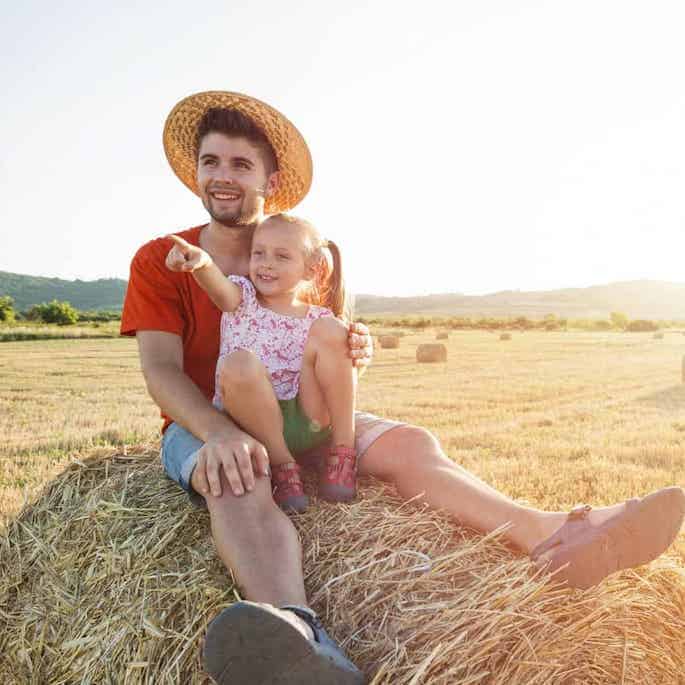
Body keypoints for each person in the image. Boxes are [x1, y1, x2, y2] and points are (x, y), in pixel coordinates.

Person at [121, 91, 685, 685]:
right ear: (197, 172)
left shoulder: (297, 249)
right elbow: (160, 369)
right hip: (207, 418)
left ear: (270, 178)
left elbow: (322, 342)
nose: (223, 177)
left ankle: (552, 534)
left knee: (411, 443)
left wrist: (351, 347)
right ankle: (300, 635)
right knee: (239, 477)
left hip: (301, 413)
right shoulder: (164, 258)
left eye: (240, 164)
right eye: (211, 162)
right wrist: (215, 434)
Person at [164, 214, 358, 513]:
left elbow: (340, 375)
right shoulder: (242, 298)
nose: (267, 263)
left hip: (308, 418)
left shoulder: (318, 319)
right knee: (239, 363)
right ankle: (283, 467)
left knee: (334, 330)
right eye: (259, 253)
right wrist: (201, 263)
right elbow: (217, 286)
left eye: (282, 256)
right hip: (253, 425)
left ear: (311, 270)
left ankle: (343, 453)